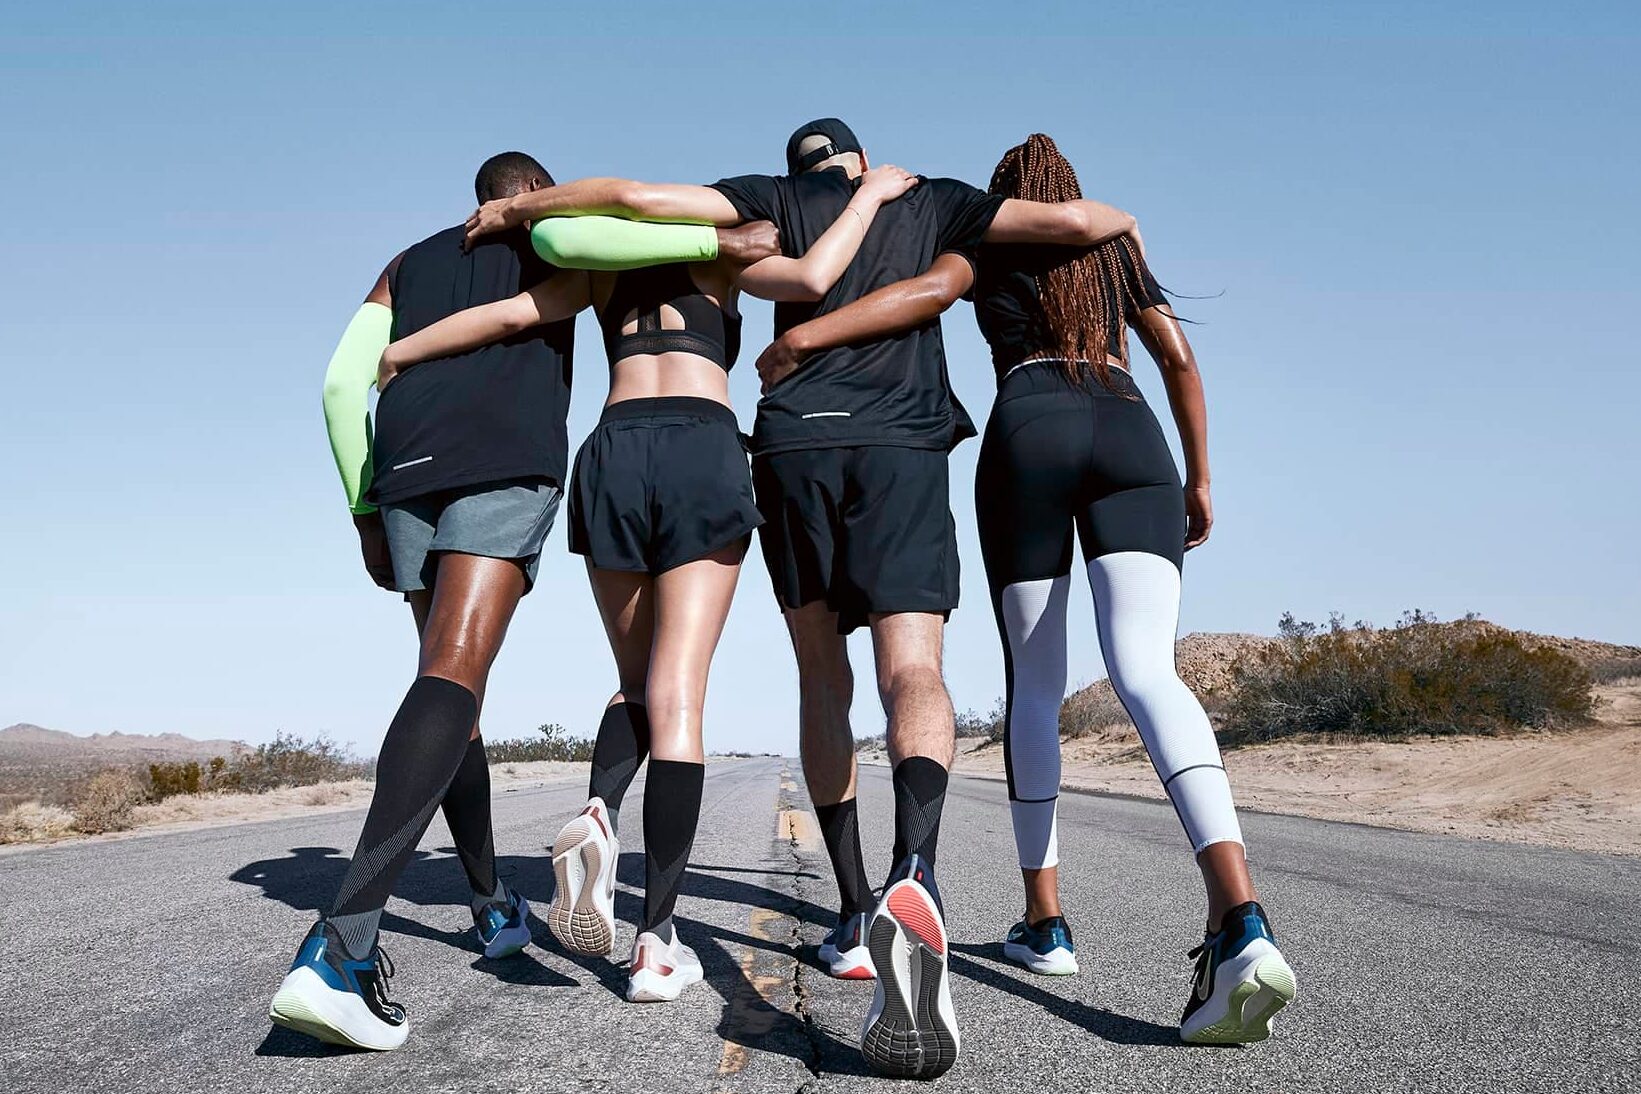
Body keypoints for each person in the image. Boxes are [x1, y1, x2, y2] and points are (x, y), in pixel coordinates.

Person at [463, 119, 1137, 1078]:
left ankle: (851, 916)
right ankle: (916, 874)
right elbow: (1076, 222)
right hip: (896, 449)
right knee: (913, 668)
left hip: (775, 450)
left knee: (814, 682)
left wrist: (522, 204)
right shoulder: (928, 197)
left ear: (794, 170)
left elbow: (640, 202)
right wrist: (1126, 228)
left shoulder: (756, 203)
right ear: (863, 160)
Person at [754, 133, 1298, 1045]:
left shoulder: (992, 236)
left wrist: (806, 335)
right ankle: (1240, 917)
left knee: (1037, 692)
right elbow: (1178, 362)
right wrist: (1200, 480)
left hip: (1029, 430)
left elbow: (928, 293)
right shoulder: (1112, 249)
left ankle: (1045, 925)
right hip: (1132, 434)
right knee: (1149, 673)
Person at [377, 163, 919, 1003]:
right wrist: (871, 197)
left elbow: (508, 314)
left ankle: (599, 811)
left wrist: (398, 353)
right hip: (702, 442)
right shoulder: (727, 253)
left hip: (615, 450)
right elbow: (814, 276)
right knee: (680, 695)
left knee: (631, 682)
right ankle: (655, 943)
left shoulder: (599, 269)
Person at [275, 152, 770, 1051]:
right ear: (533, 196)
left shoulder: (405, 261)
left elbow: (340, 384)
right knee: (499, 676)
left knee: (446, 681)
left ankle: (490, 902)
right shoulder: (556, 234)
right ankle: (344, 945)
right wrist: (725, 236)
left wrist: (364, 507)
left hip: (403, 471)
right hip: (504, 459)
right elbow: (591, 244)